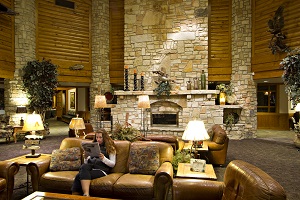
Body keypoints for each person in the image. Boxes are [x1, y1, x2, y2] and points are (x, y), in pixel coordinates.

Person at [71, 128, 116, 196]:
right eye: (97, 137)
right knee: (83, 166)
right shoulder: (93, 146)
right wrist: (86, 158)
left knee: (79, 176)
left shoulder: (110, 147)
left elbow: (112, 164)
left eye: (100, 137)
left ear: (105, 138)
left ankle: (84, 194)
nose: (98, 139)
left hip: (102, 170)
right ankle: (82, 195)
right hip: (90, 168)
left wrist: (103, 159)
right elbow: (86, 163)